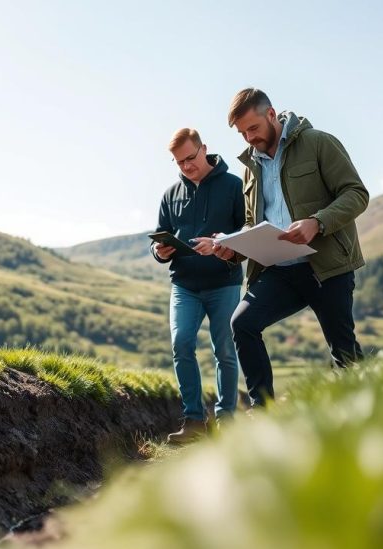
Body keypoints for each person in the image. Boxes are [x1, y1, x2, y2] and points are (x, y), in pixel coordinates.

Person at [201, 88, 368, 408]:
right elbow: (254, 224)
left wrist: (317, 223)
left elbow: (356, 194)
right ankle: (262, 414)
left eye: (253, 128)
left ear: (271, 114)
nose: (248, 137)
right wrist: (231, 247)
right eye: (242, 132)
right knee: (242, 324)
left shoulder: (319, 143)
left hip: (326, 266)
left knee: (344, 352)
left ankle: (365, 414)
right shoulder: (250, 166)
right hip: (279, 270)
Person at [151, 128, 245, 443]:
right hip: (184, 286)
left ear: (204, 149)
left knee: (225, 352)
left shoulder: (234, 186)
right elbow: (161, 234)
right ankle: (193, 421)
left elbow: (247, 232)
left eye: (190, 158)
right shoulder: (169, 194)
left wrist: (222, 244)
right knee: (181, 344)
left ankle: (226, 423)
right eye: (179, 162)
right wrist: (159, 251)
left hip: (224, 284)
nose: (187, 166)